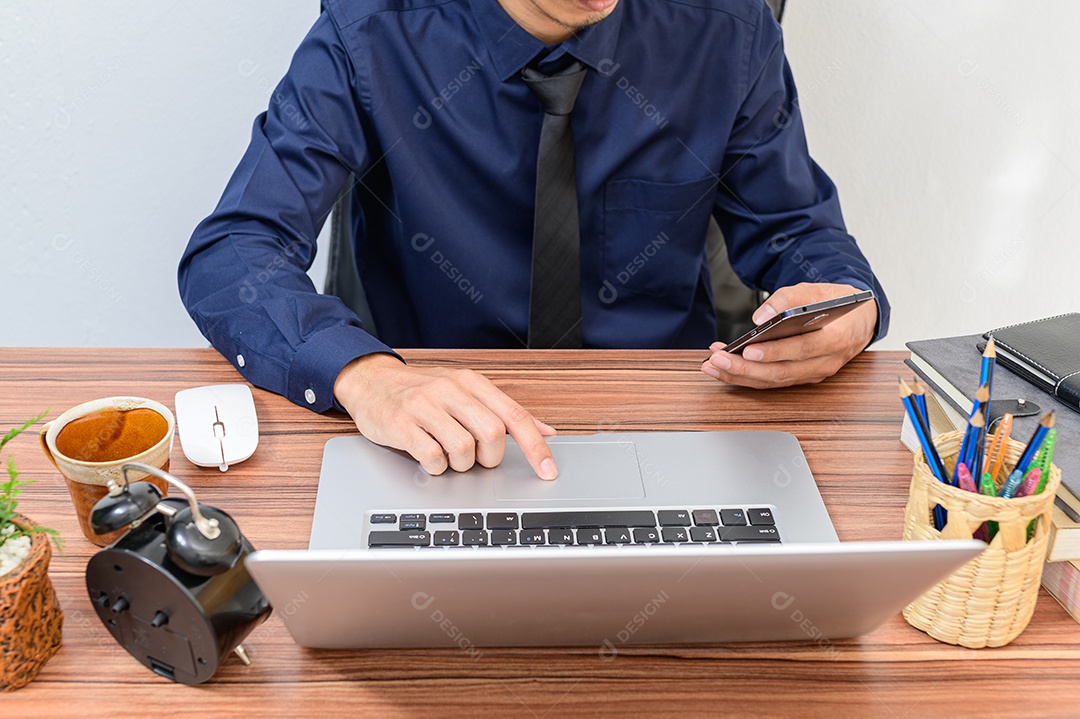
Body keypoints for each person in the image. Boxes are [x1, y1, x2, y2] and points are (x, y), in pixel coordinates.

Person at [179, 0, 890, 482]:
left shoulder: (726, 28)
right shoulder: (373, 26)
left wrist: (850, 307)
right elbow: (236, 248)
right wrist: (366, 377)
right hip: (436, 443)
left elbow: (800, 233)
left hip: (666, 432)